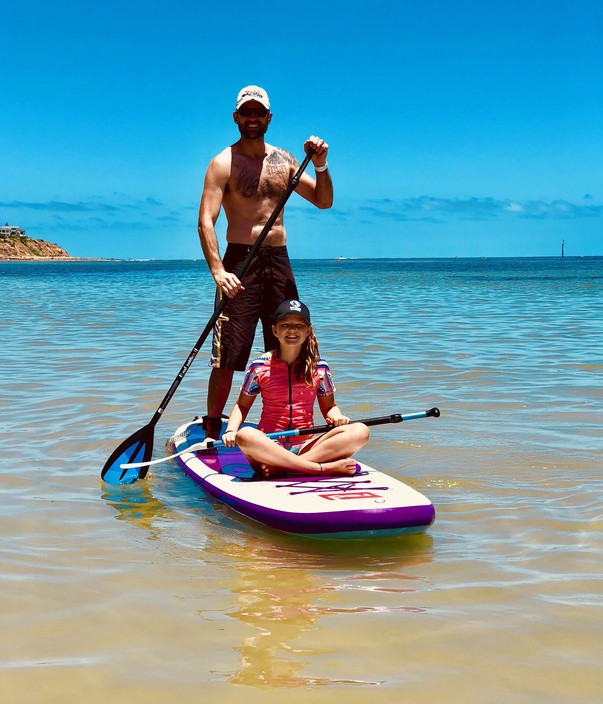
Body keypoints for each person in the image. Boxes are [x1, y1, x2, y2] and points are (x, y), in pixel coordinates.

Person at [197, 85, 333, 438]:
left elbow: (323, 200)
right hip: (239, 261)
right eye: (247, 112)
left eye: (259, 113)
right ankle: (214, 425)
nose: (253, 118)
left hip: (278, 260)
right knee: (230, 353)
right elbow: (205, 221)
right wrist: (218, 271)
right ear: (236, 117)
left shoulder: (285, 160)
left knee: (287, 346)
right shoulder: (222, 163)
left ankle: (285, 422)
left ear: (268, 118)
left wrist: (320, 165)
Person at [219, 299, 370, 478]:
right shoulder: (259, 367)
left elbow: (329, 407)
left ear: (308, 330)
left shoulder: (320, 368)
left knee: (360, 431)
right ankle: (318, 468)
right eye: (285, 325)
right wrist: (231, 430)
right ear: (275, 330)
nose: (292, 330)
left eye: (299, 325)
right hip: (269, 446)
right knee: (245, 435)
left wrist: (336, 417)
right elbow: (242, 406)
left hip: (307, 445)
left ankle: (286, 468)